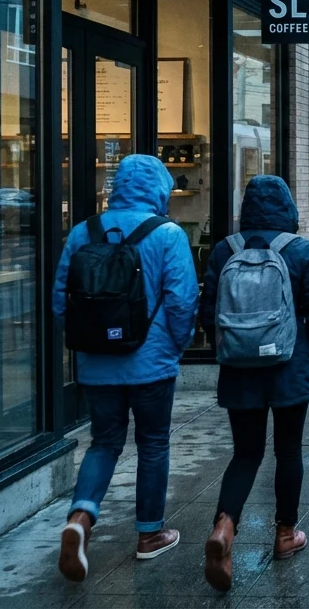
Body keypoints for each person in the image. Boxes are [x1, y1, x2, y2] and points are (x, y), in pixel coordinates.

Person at [52, 154, 199, 581]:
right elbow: (182, 301)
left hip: (97, 365)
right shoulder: (167, 234)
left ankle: (80, 519)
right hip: (151, 364)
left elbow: (61, 300)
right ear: (158, 188)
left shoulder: (84, 231)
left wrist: (90, 343)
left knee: (103, 443)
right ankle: (150, 535)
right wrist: (174, 345)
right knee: (153, 444)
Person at [198, 175, 309, 591]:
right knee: (288, 450)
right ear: (288, 209)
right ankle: (285, 533)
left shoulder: (225, 250)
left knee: (245, 454)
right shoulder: (301, 250)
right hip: (290, 366)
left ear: (247, 209)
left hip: (240, 369)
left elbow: (207, 312)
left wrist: (231, 348)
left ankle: (224, 526)